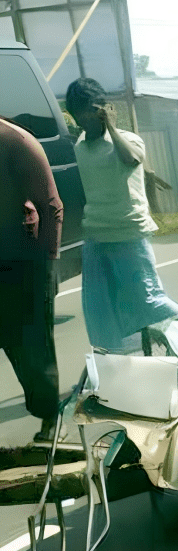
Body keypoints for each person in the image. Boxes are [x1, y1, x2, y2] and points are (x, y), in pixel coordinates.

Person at [65, 78, 178, 354]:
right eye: (80, 113)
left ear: (105, 110)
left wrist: (111, 128)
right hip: (96, 237)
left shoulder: (129, 140)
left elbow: (131, 159)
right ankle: (116, 364)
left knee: (149, 301)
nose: (87, 119)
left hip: (127, 235)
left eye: (93, 110)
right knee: (99, 311)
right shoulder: (81, 147)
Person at [0, 116, 64, 442]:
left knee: (32, 351)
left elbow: (50, 205)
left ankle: (49, 423)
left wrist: (48, 268)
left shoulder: (17, 141)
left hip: (22, 265)